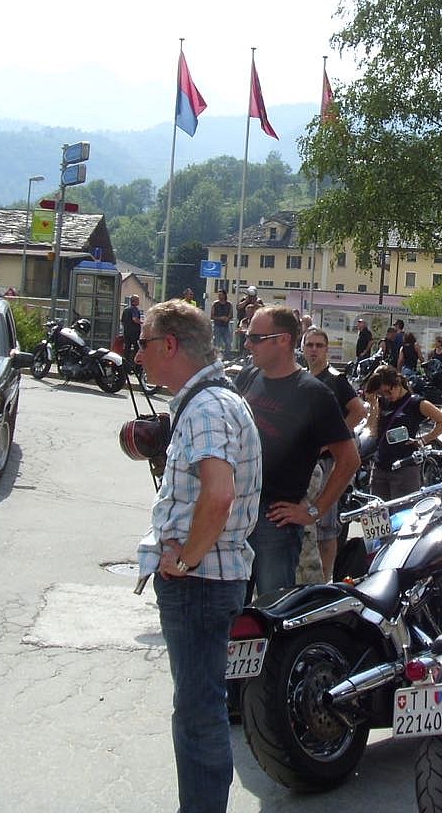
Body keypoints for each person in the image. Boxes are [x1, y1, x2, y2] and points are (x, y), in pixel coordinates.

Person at [132, 299, 263, 813]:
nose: (137, 356)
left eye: (143, 344)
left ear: (169, 345)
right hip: (208, 580)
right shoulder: (214, 401)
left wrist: (185, 560)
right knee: (200, 709)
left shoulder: (207, 407)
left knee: (198, 714)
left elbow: (219, 493)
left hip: (200, 583)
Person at [236, 306, 359, 596]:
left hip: (275, 520)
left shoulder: (314, 393)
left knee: (272, 609)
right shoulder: (249, 376)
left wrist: (313, 511)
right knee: (233, 608)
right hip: (237, 512)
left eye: (255, 338)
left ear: (283, 340)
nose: (247, 344)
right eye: (247, 337)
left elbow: (349, 460)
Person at [302, 327, 368, 580]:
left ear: (326, 349)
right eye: (310, 345)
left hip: (330, 462)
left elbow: (359, 411)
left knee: (326, 526)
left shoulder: (336, 379)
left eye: (319, 345)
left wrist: (332, 440)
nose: (314, 350)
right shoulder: (302, 377)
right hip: (306, 461)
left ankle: (326, 579)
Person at [365, 365, 442, 500]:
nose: (386, 396)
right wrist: (373, 405)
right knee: (378, 511)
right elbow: (372, 432)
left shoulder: (416, 403)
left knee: (403, 512)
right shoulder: (383, 402)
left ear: (397, 383)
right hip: (380, 467)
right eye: (381, 394)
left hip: (404, 469)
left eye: (388, 391)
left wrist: (423, 440)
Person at [209, 289, 233, 355]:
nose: (219, 296)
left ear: (224, 295)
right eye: (218, 295)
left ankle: (227, 355)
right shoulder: (215, 304)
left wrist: (227, 318)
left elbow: (231, 315)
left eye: (221, 295)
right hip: (217, 326)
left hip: (226, 326)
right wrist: (220, 318)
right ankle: (216, 355)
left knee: (228, 342)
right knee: (217, 342)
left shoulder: (229, 304)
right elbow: (212, 316)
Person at [120, 295, 143, 361]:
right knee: (136, 347)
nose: (139, 301)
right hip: (134, 332)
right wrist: (142, 322)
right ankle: (136, 363)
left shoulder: (125, 309)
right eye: (138, 300)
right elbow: (135, 319)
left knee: (127, 347)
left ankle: (125, 361)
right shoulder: (134, 309)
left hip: (126, 332)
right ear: (134, 301)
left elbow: (122, 321)